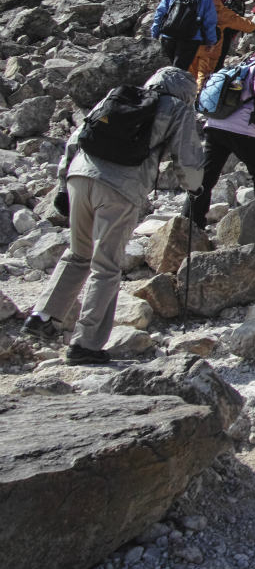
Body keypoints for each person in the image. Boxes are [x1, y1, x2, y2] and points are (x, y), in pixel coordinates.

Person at [20, 68, 205, 363]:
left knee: (77, 254)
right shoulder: (178, 109)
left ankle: (42, 315)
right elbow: (187, 156)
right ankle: (86, 345)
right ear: (186, 93)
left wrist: (62, 182)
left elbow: (77, 136)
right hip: (121, 188)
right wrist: (195, 188)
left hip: (80, 174)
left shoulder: (120, 96)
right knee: (105, 266)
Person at [189, 39, 255, 228]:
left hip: (216, 123)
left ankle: (191, 220)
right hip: (240, 129)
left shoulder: (249, 63)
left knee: (207, 175)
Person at [150, 0, 219, 70]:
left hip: (168, 35)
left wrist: (155, 33)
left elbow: (160, 13)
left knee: (164, 69)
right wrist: (211, 42)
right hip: (190, 39)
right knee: (179, 70)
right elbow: (210, 22)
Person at [189, 0, 255, 89]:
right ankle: (197, 99)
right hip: (210, 49)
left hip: (192, 45)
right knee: (203, 77)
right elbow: (239, 21)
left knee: (190, 74)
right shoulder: (221, 10)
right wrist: (254, 28)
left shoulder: (196, 4)